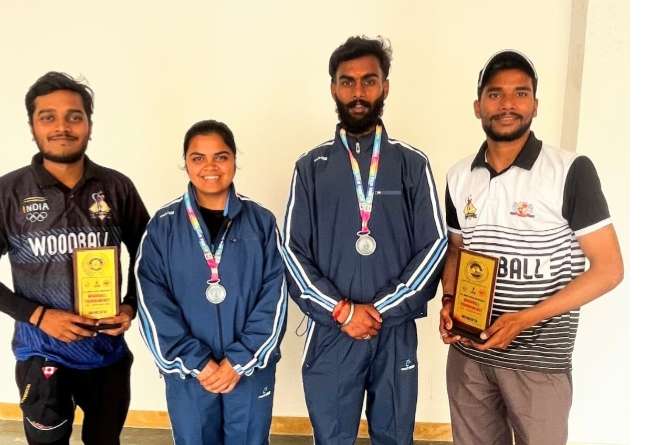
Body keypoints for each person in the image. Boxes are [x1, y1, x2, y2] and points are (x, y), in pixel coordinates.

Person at [439, 50, 624, 445]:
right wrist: (450, 300)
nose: (507, 104)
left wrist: (525, 319)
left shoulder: (570, 171)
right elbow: (456, 249)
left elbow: (609, 269)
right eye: (495, 94)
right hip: (470, 357)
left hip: (538, 362)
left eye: (520, 93)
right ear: (478, 106)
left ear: (535, 105)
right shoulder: (458, 176)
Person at [283, 36, 447, 445]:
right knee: (333, 437)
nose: (358, 92)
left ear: (384, 86)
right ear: (333, 88)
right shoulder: (311, 167)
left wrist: (380, 310)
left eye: (369, 81)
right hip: (332, 329)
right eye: (348, 81)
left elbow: (435, 245)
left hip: (394, 330)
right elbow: (291, 251)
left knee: (394, 437)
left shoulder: (411, 163)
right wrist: (341, 311)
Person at [0, 72, 149, 445]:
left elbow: (151, 257)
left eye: (74, 116)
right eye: (48, 117)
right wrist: (38, 316)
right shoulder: (8, 192)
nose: (62, 127)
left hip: (106, 353)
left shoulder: (116, 187)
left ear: (89, 125)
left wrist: (131, 305)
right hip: (41, 353)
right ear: (32, 126)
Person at [136, 119, 287, 445]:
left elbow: (275, 298)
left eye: (220, 156)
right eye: (198, 158)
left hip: (249, 370)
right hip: (190, 374)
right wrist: (197, 363)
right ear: (186, 163)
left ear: (234, 159)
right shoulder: (162, 227)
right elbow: (152, 304)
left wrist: (239, 361)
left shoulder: (261, 222)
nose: (210, 167)